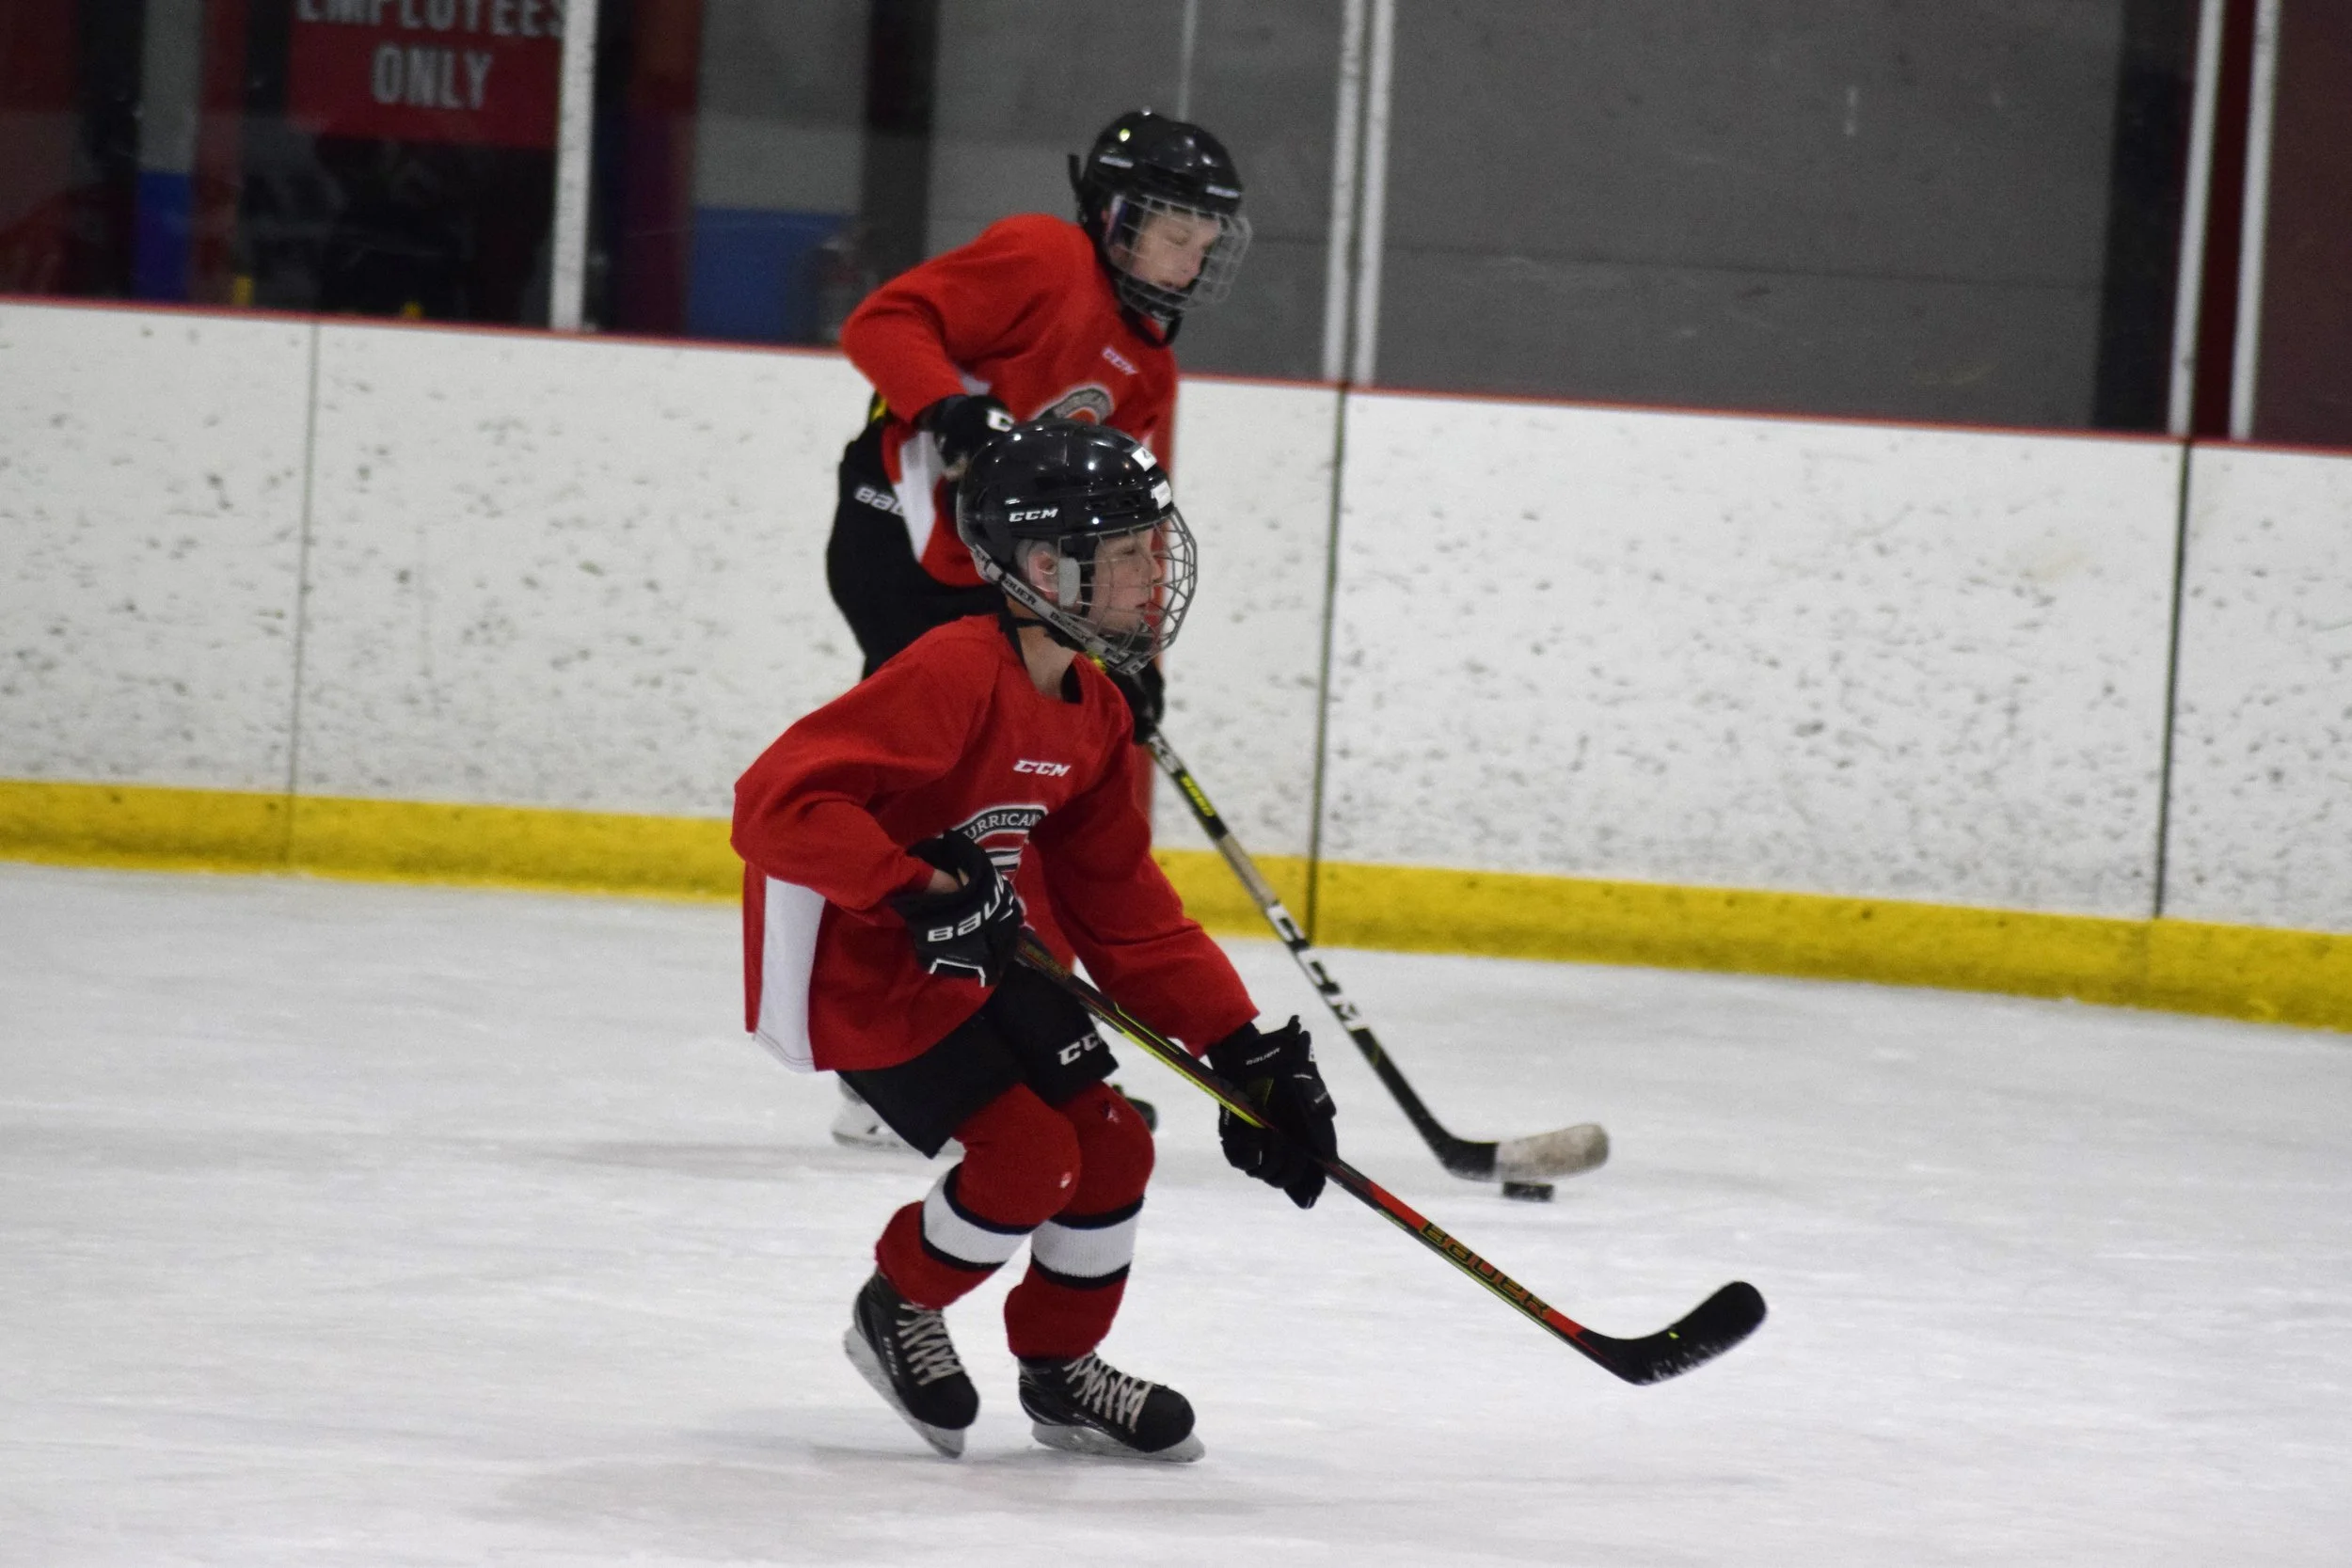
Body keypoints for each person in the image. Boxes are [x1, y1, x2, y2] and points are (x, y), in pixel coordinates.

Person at [734, 421, 1338, 1462]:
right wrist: (920, 886)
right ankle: (899, 1305)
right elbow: (774, 804)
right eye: (1130, 550)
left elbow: (1122, 901)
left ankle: (1060, 1373)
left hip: (989, 956)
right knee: (1027, 1162)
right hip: (872, 972)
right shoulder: (954, 670)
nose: (1155, 572)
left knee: (1114, 1145)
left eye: (1156, 545)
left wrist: (1241, 1047)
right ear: (1048, 568)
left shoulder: (1093, 706)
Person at [820, 108, 1249, 1154]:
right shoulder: (1044, 257)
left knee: (1026, 809)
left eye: (1204, 242)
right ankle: (890, 1066)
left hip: (997, 577)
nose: (1191, 260)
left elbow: (1125, 529)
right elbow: (880, 322)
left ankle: (1002, 1046)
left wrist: (1130, 650)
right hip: (902, 541)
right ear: (1115, 216)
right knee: (938, 801)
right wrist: (947, 408)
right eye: (1176, 233)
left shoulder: (1149, 367)